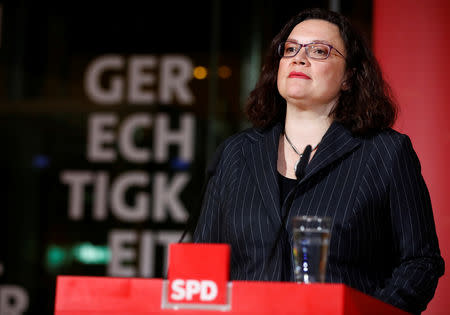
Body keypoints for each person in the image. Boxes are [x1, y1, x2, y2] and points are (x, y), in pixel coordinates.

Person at [193, 7, 444, 314]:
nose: (299, 58)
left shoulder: (386, 152)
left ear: (349, 77)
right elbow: (201, 263)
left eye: (319, 51)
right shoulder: (236, 153)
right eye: (290, 49)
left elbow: (420, 262)